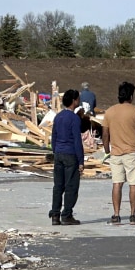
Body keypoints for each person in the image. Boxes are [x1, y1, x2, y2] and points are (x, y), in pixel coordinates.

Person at [102, 81, 135, 225]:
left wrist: (107, 150)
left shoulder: (109, 111)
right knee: (133, 184)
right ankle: (133, 215)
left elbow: (105, 134)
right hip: (132, 152)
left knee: (117, 183)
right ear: (131, 96)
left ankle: (116, 215)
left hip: (116, 152)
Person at [49, 89, 84, 226]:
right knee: (71, 186)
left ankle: (55, 214)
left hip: (59, 153)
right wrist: (81, 161)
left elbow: (54, 136)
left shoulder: (58, 117)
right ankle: (67, 214)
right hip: (70, 154)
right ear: (74, 101)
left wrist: (55, 151)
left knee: (58, 185)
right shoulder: (74, 118)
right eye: (78, 99)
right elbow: (77, 141)